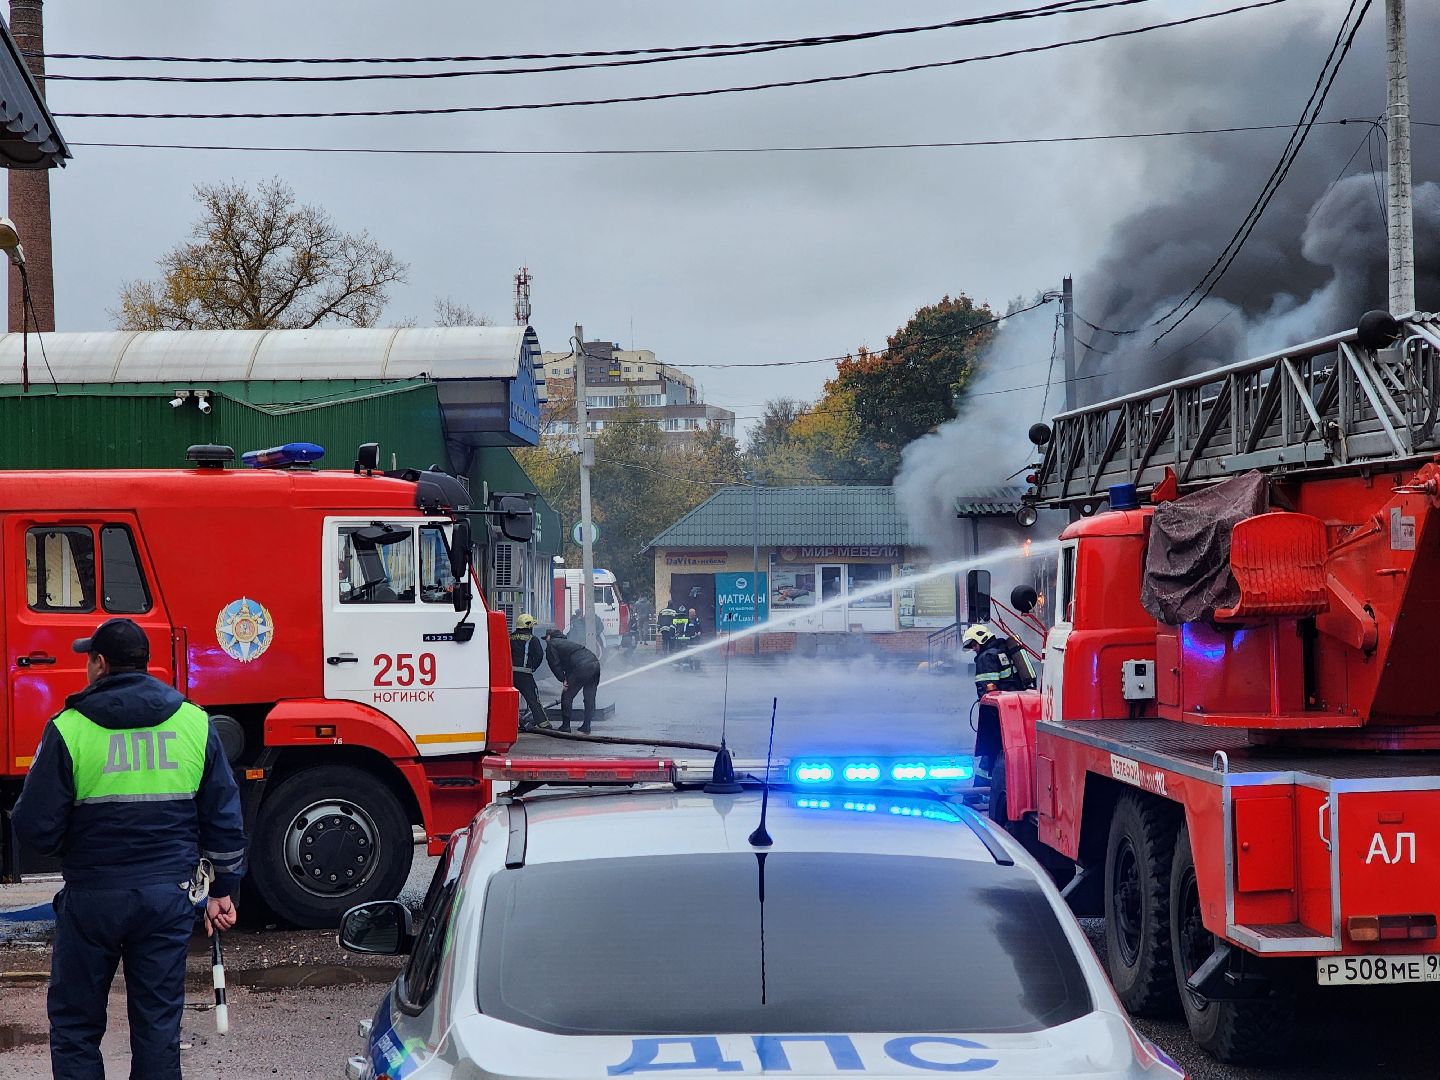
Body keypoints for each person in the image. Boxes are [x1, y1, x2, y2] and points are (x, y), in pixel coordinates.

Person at [12, 617, 247, 1080]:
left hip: (93, 896)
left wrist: (74, 845)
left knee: (77, 1026)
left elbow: (33, 825)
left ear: (100, 664)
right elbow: (224, 817)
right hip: (168, 897)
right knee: (158, 1028)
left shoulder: (69, 728)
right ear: (144, 664)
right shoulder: (194, 723)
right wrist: (223, 889)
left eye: (87, 659)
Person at [962, 624, 1030, 778]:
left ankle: (980, 790)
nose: (973, 648)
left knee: (990, 750)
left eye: (974, 644)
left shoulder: (986, 657)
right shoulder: (1003, 650)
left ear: (981, 639)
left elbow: (989, 691)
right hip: (1014, 706)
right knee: (1002, 749)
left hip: (996, 712)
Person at [543, 628, 602, 734]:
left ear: (549, 636)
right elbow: (570, 663)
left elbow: (554, 664)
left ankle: (566, 726)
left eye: (546, 638)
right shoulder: (567, 643)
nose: (545, 641)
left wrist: (563, 679)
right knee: (590, 696)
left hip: (582, 667)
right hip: (595, 663)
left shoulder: (552, 644)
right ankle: (586, 726)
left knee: (567, 696)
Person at [510, 613, 550, 731]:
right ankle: (544, 724)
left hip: (509, 674)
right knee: (533, 699)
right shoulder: (532, 639)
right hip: (525, 675)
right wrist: (532, 667)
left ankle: (512, 722)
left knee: (509, 700)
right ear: (528, 626)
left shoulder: (509, 637)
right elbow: (539, 655)